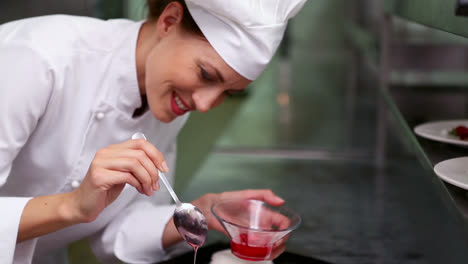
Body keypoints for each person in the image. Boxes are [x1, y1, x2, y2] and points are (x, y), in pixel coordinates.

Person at [0, 0, 306, 263]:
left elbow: (116, 231)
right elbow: (79, 208)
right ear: (169, 21)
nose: (204, 104)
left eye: (228, 92)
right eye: (206, 74)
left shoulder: (166, 98)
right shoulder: (36, 59)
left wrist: (201, 211)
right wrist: (71, 206)